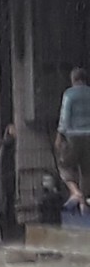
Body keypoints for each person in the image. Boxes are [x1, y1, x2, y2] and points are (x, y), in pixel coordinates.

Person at [56, 67, 90, 213]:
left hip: (73, 137)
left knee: (64, 165)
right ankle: (84, 204)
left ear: (73, 79)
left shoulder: (69, 94)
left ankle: (76, 192)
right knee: (87, 171)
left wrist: (59, 135)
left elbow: (65, 116)